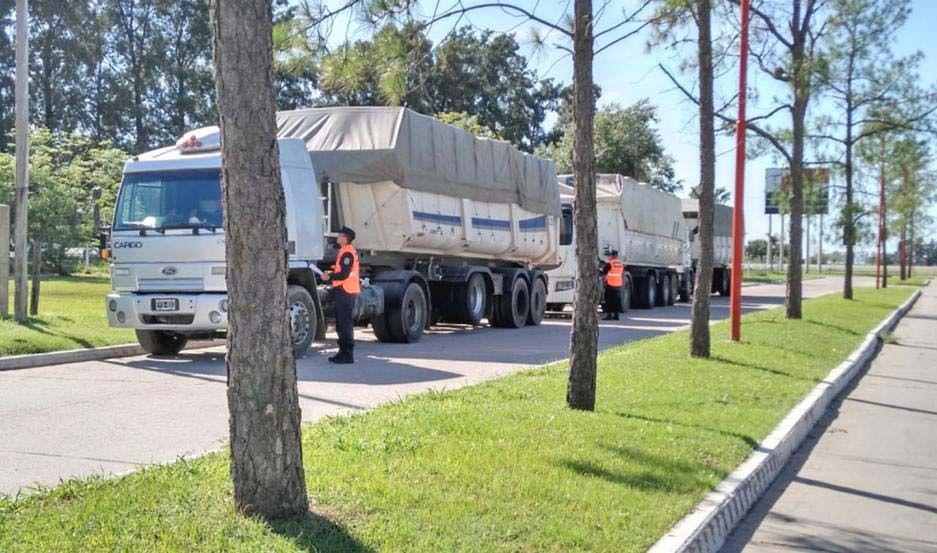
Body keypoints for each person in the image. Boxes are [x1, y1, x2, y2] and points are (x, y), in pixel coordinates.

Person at [321, 226, 360, 364]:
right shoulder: (344, 251)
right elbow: (341, 269)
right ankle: (342, 353)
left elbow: (344, 274)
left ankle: (347, 355)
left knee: (344, 324)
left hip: (346, 290)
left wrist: (329, 276)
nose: (337, 237)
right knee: (340, 324)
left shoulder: (347, 252)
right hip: (343, 290)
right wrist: (331, 271)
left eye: (339, 235)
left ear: (345, 238)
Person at [600, 250, 625, 320]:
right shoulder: (620, 263)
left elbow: (604, 271)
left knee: (608, 300)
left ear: (612, 255)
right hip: (618, 284)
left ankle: (609, 315)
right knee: (616, 300)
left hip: (610, 284)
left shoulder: (610, 263)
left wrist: (601, 269)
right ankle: (616, 315)